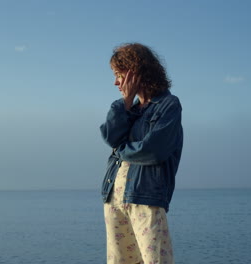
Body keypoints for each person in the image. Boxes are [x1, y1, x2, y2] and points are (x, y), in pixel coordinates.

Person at [99, 43, 184, 264]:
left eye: (119, 75)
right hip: (114, 198)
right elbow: (109, 136)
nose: (116, 82)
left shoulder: (168, 105)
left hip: (145, 197)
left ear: (135, 72)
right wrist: (125, 102)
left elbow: (154, 150)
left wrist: (121, 149)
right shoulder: (130, 109)